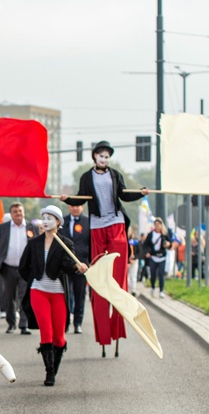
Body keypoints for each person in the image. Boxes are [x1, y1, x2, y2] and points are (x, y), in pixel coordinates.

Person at [61, 141, 147, 356]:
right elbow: (80, 197)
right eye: (101, 155)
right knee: (100, 282)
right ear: (95, 157)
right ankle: (104, 335)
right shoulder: (87, 177)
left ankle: (118, 325)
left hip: (116, 224)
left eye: (107, 156)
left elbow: (124, 194)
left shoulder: (115, 175)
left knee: (118, 282)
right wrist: (67, 200)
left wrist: (141, 193)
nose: (104, 159)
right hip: (98, 227)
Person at [18, 206, 87, 386]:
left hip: (58, 294)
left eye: (50, 217)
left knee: (59, 337)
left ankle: (54, 367)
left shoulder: (66, 243)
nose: (46, 221)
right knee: (46, 333)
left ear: (58, 221)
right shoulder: (34, 243)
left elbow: (67, 266)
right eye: (44, 217)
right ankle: (49, 372)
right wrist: (35, 280)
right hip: (38, 291)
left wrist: (76, 267)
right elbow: (23, 267)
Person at [0, 202, 31, 335]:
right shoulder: (2, 228)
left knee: (24, 296)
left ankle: (24, 325)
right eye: (15, 211)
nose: (18, 213)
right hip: (7, 268)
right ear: (11, 214)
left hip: (25, 268)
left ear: (23, 212)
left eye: (20, 211)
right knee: (9, 297)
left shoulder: (31, 227)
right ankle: (11, 323)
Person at [59, 202, 90, 333]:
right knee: (64, 295)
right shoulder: (61, 222)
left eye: (77, 205)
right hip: (65, 264)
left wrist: (90, 262)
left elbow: (91, 243)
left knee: (79, 295)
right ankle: (65, 323)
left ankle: (78, 323)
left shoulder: (88, 222)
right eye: (72, 205)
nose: (75, 207)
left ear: (82, 207)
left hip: (82, 265)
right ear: (68, 207)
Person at [144, 218, 172, 297]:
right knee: (153, 274)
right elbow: (145, 245)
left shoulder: (164, 234)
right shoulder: (150, 235)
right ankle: (153, 286)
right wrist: (147, 253)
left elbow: (170, 244)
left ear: (161, 225)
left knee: (161, 274)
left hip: (162, 257)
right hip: (153, 256)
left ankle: (161, 291)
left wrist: (168, 244)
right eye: (155, 225)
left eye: (158, 224)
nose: (157, 226)